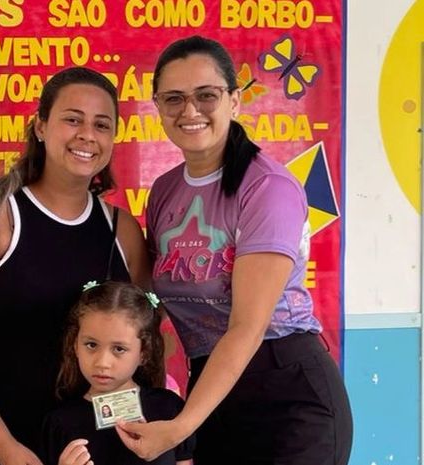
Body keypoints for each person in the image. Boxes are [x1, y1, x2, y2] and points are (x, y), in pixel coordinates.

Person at [115, 36, 353, 465]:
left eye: (206, 95)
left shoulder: (268, 188)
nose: (190, 111)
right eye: (174, 98)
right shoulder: (165, 191)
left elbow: (247, 327)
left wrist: (180, 428)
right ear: (158, 107)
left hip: (287, 395)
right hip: (213, 391)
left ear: (235, 101)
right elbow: (151, 299)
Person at [0, 67, 149, 465]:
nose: (87, 135)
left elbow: (143, 342)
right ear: (41, 126)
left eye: (101, 125)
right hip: (5, 447)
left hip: (97, 451)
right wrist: (7, 450)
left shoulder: (122, 230)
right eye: (72, 119)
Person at [41, 281, 195, 465]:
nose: (102, 363)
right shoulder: (60, 423)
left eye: (119, 349)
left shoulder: (168, 408)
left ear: (144, 353)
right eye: (91, 345)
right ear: (75, 345)